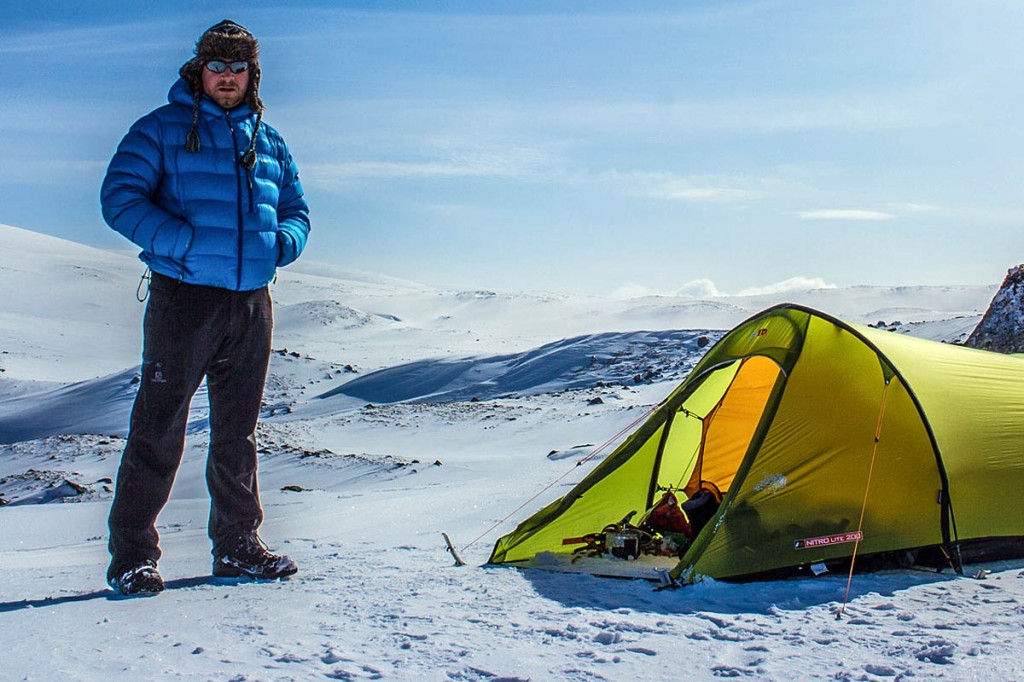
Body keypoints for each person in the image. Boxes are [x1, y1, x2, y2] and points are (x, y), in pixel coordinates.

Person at [100, 19, 310, 596]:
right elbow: (119, 197)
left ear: (252, 75)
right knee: (159, 427)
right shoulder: (161, 128)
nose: (227, 77)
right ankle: (133, 556)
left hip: (251, 301)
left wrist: (282, 244)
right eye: (216, 66)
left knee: (237, 432)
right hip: (184, 299)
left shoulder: (268, 140)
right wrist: (181, 243)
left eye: (237, 68)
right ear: (199, 71)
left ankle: (238, 546)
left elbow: (296, 207)